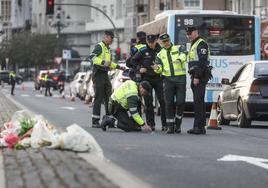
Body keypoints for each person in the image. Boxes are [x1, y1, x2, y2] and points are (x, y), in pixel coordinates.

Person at [88, 30, 125, 128]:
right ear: (106, 37)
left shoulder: (107, 49)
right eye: (111, 38)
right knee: (98, 98)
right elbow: (92, 57)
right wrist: (103, 63)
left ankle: (108, 119)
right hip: (98, 74)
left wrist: (119, 67)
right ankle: (95, 121)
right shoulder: (100, 46)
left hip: (105, 74)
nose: (112, 40)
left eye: (113, 38)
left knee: (108, 98)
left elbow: (110, 63)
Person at [152, 33, 187, 134]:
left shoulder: (179, 48)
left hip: (180, 78)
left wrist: (179, 60)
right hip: (168, 80)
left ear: (170, 40)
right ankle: (170, 126)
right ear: (161, 43)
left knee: (180, 102)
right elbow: (159, 69)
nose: (166, 43)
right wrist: (157, 68)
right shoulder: (159, 54)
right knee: (168, 103)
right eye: (164, 42)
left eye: (167, 41)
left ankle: (178, 123)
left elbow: (184, 55)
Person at [131, 34, 166, 131]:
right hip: (147, 79)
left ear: (156, 41)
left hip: (159, 79)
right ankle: (151, 124)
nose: (150, 44)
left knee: (163, 101)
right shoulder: (142, 50)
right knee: (148, 102)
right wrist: (139, 68)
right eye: (148, 42)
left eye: (152, 42)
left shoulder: (161, 50)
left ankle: (165, 124)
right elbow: (133, 61)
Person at [185, 27, 212, 135]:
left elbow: (202, 61)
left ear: (196, 33)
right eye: (187, 34)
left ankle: (199, 127)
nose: (188, 36)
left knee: (198, 102)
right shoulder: (194, 43)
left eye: (190, 33)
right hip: (196, 76)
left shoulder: (201, 43)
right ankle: (199, 127)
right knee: (198, 102)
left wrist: (196, 76)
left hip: (200, 76)